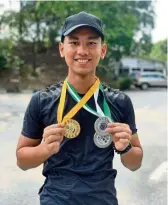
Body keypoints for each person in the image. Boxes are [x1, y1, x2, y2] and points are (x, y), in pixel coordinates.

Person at [16, 11, 143, 205]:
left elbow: (135, 163)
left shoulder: (119, 101)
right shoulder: (42, 101)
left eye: (91, 43)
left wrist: (125, 147)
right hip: (56, 198)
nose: (82, 51)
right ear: (61, 49)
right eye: (74, 42)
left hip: (102, 199)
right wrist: (44, 150)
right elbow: (22, 161)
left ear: (103, 50)